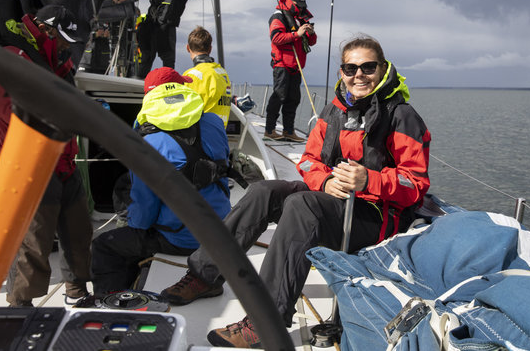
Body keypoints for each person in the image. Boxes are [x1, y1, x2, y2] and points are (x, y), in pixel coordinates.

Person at [160, 34, 431, 348]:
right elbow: (309, 161)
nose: (358, 75)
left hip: (375, 217)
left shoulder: (401, 116)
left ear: (383, 69)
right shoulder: (336, 111)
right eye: (350, 68)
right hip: (334, 203)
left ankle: (267, 320)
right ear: (342, 73)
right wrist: (326, 182)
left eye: (368, 67)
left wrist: (369, 180)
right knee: (265, 191)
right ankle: (205, 276)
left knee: (303, 205)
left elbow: (416, 183)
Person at [91, 67, 231, 294]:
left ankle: (112, 303)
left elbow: (143, 217)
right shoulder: (214, 122)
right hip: (222, 229)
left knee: (104, 246)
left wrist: (132, 225)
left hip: (183, 240)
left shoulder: (147, 143)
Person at [0, 4, 92, 306]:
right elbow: (8, 108)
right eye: (61, 39)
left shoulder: (56, 63)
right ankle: (19, 306)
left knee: (79, 229)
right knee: (34, 239)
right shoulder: (12, 56)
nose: (65, 47)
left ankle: (76, 290)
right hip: (31, 162)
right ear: (45, 29)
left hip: (63, 160)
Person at [264, 0, 317, 142]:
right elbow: (276, 38)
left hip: (296, 65)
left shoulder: (300, 18)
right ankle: (269, 130)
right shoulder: (278, 16)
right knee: (279, 96)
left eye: (302, 6)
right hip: (282, 64)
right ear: (291, 3)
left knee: (293, 98)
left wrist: (310, 33)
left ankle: (288, 130)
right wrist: (296, 34)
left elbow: (311, 42)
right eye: (298, 6)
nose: (300, 9)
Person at [182, 26, 232, 127]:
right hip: (219, 133)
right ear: (210, 49)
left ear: (188, 48)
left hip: (200, 136)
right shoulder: (222, 73)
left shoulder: (190, 76)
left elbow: (183, 109)